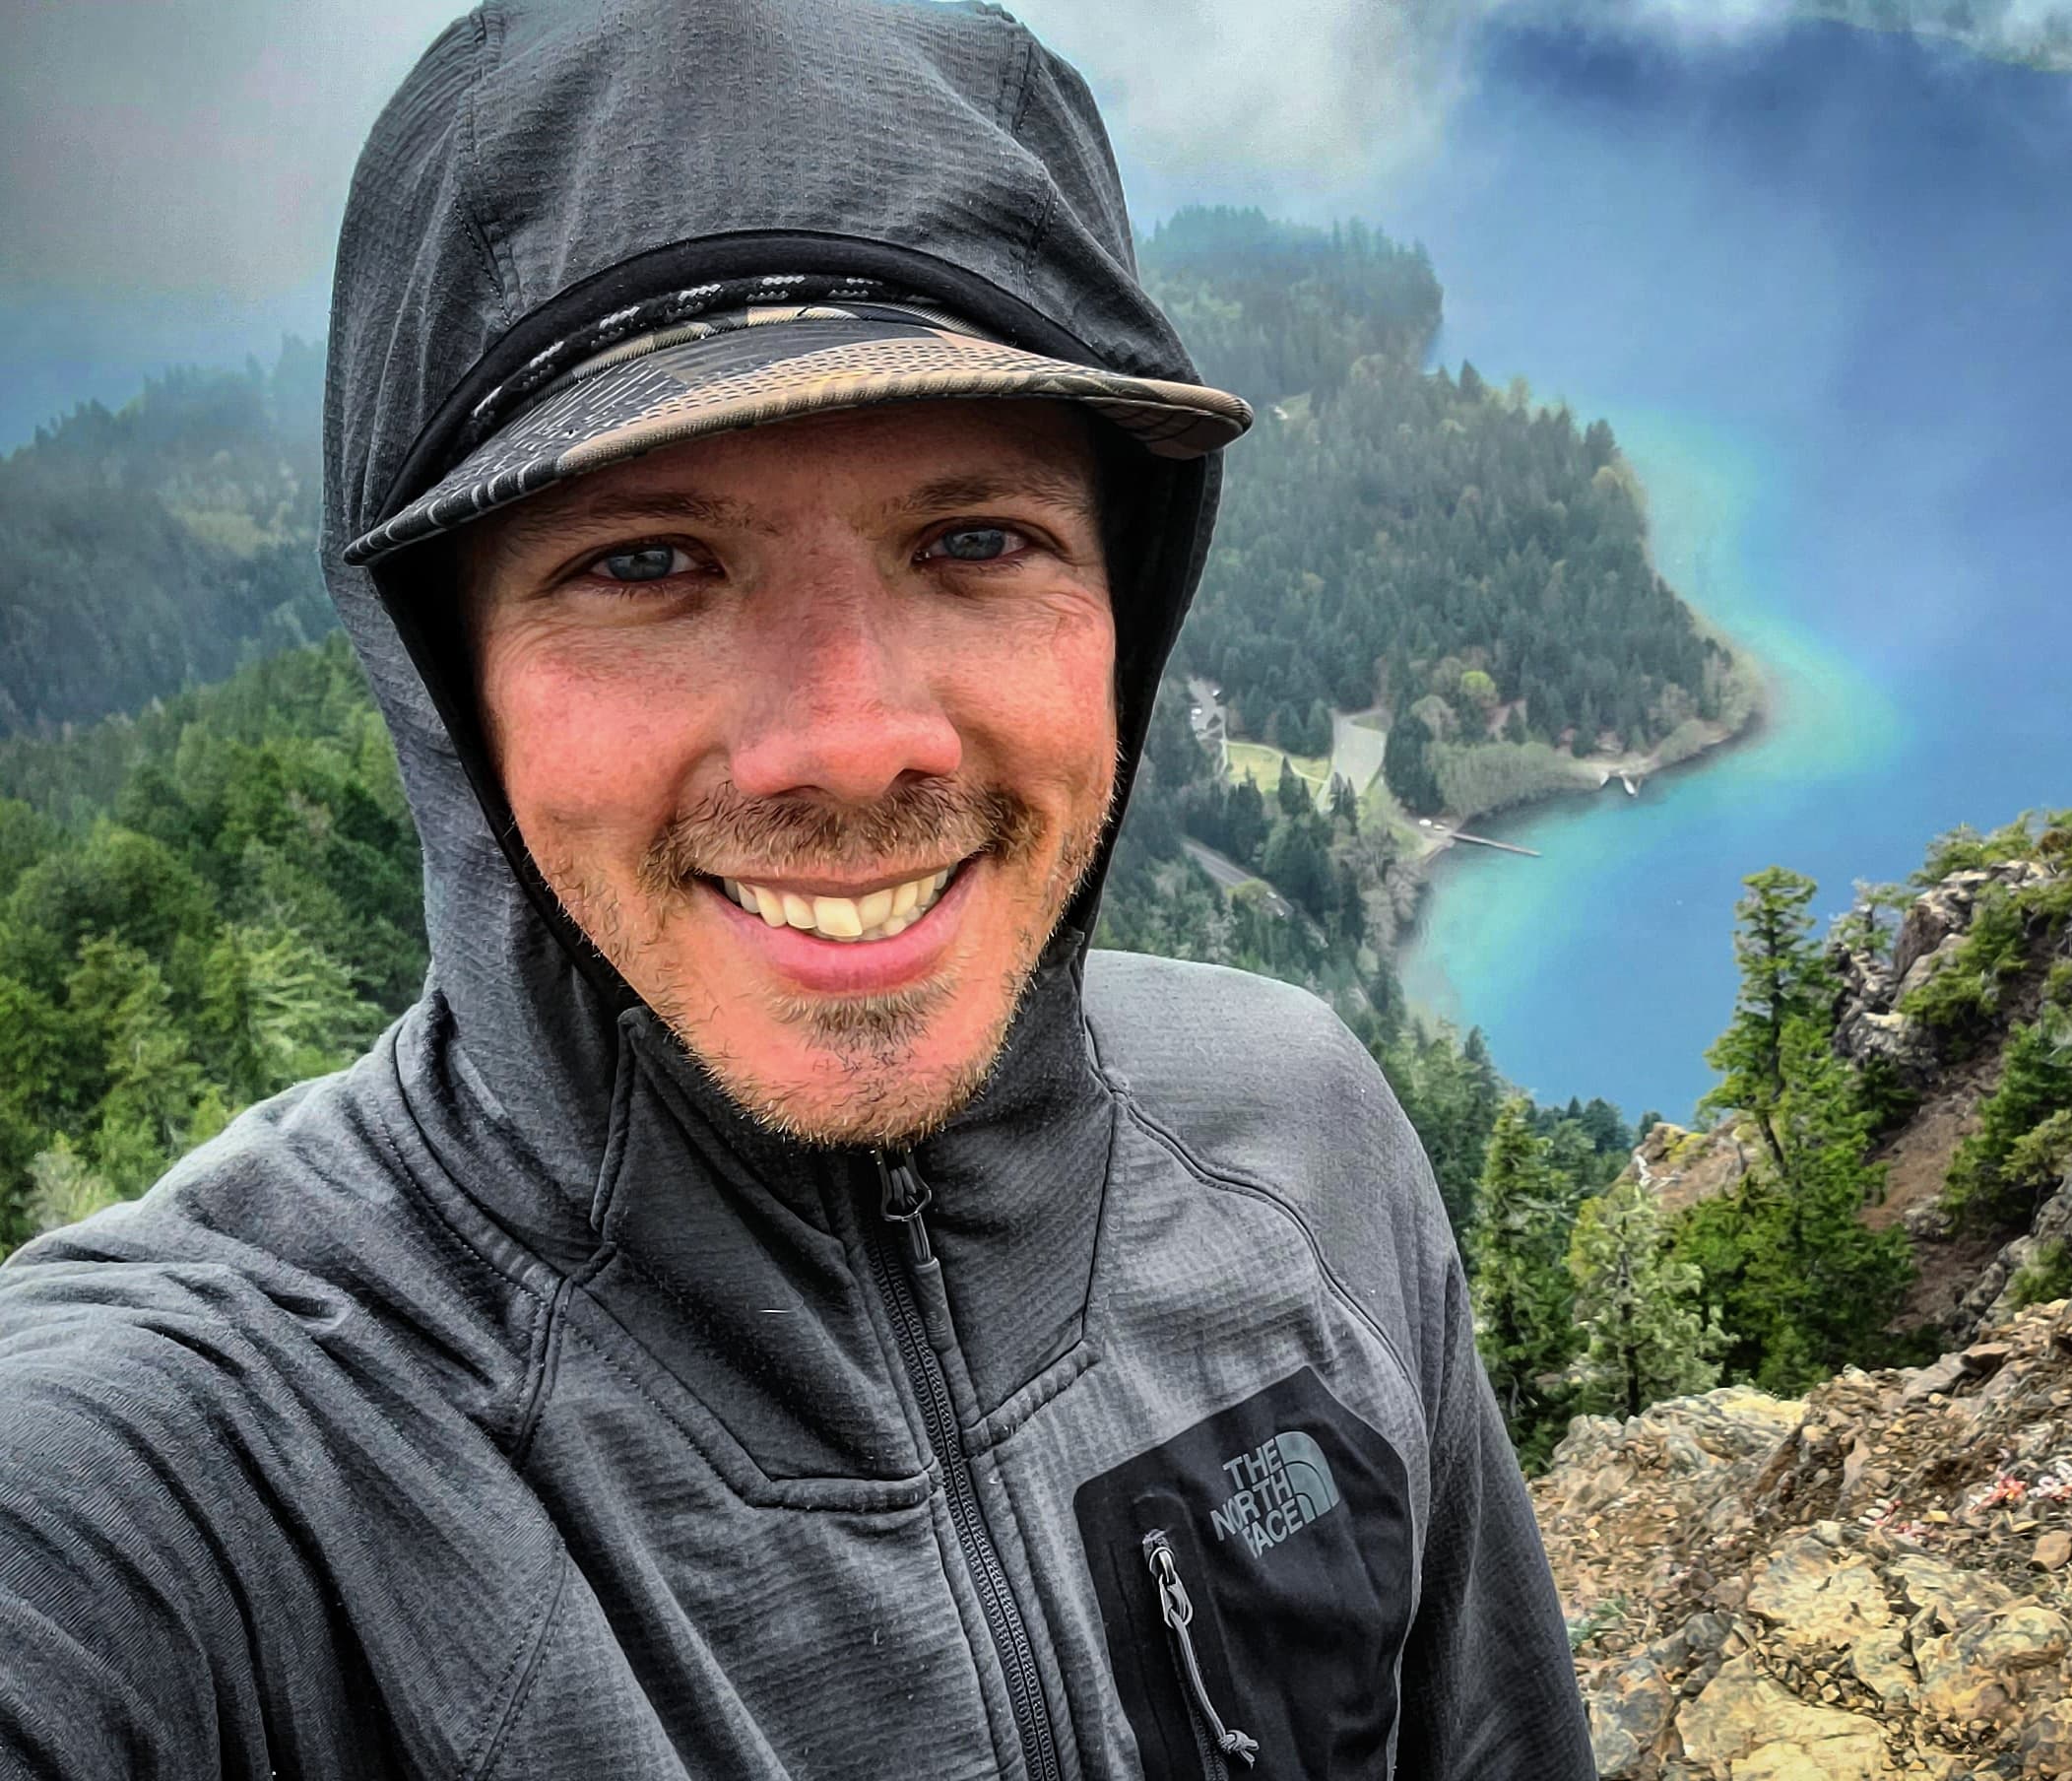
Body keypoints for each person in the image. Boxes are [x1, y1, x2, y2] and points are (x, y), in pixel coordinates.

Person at [0, 2, 1595, 1775]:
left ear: (1123, 604)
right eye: (649, 561)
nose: (849, 742)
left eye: (973, 540)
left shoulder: (1299, 1141)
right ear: (447, 681)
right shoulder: (209, 1464)